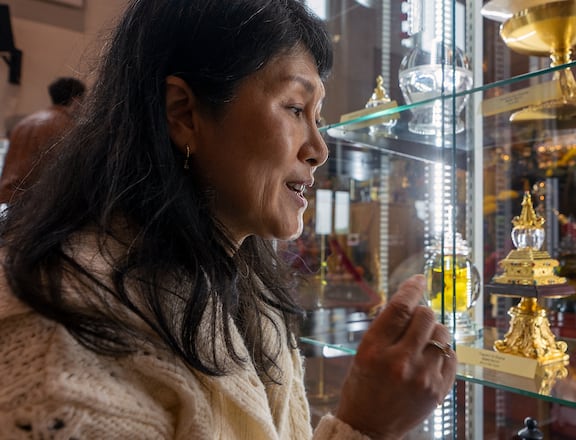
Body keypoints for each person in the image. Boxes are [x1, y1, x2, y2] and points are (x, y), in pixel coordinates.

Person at [0, 0, 456, 439]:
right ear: (183, 113)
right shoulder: (64, 347)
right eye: (295, 109)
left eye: (318, 117)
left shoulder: (247, 298)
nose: (319, 150)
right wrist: (365, 426)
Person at [0, 76, 85, 205]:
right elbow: (63, 173)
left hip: (9, 199)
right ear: (76, 100)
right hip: (36, 202)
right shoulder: (64, 125)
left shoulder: (25, 122)